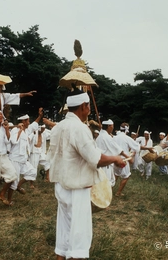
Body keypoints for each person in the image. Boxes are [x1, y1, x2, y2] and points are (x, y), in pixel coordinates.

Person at [47, 88, 126, 260]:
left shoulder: (58, 127)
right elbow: (95, 159)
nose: (89, 110)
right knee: (79, 238)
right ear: (83, 106)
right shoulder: (79, 128)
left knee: (65, 231)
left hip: (61, 185)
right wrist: (115, 158)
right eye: (88, 106)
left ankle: (61, 256)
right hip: (76, 188)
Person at [9, 108, 44, 196]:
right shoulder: (14, 130)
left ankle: (18, 186)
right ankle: (8, 199)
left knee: (32, 172)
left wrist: (39, 116)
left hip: (23, 159)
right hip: (15, 159)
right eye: (27, 121)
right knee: (14, 179)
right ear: (23, 122)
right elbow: (13, 141)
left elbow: (34, 124)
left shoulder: (27, 130)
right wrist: (19, 130)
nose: (29, 123)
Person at [113, 122, 140, 197]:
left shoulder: (115, 137)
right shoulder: (126, 138)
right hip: (123, 160)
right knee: (126, 176)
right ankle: (118, 193)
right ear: (127, 130)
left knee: (116, 175)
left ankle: (109, 190)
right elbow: (137, 147)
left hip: (115, 159)